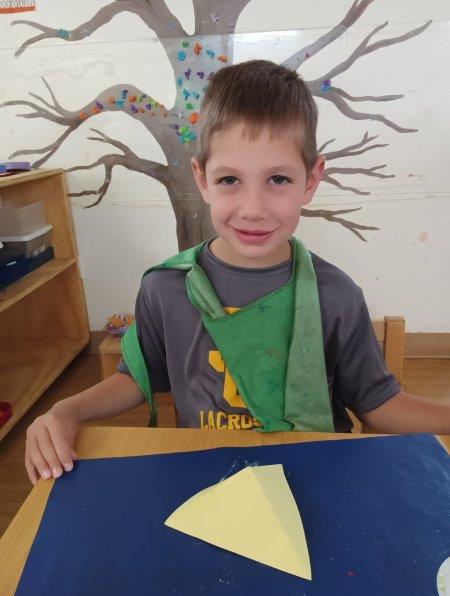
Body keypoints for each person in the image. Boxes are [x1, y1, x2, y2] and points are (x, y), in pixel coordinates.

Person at [24, 60, 450, 485]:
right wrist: (65, 411)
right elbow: (137, 377)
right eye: (230, 179)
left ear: (311, 180)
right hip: (208, 483)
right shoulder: (164, 288)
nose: (253, 208)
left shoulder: (335, 296)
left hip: (313, 479)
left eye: (278, 179)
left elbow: (378, 403)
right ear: (202, 178)